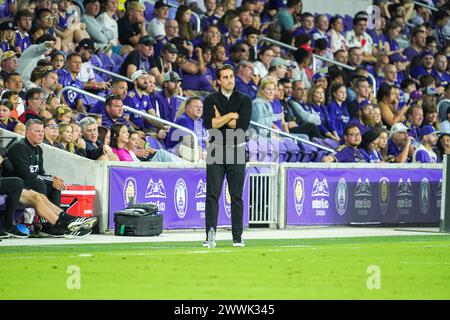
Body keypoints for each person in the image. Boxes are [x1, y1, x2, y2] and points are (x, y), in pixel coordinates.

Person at [202, 64, 252, 248]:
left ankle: (237, 237)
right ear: (218, 80)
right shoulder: (210, 99)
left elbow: (242, 126)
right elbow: (210, 124)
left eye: (231, 76)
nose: (230, 80)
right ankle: (210, 235)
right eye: (225, 77)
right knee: (212, 194)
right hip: (215, 149)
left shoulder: (245, 99)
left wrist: (220, 118)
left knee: (236, 195)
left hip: (237, 148)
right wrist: (231, 115)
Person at [6, 119, 65, 207]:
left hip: (31, 181)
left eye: (42, 131)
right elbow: (25, 174)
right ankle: (42, 218)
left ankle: (56, 218)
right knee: (40, 183)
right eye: (37, 131)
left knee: (55, 186)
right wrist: (50, 181)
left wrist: (52, 179)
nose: (41, 134)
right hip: (17, 183)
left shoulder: (38, 149)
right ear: (28, 133)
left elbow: (40, 172)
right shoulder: (19, 147)